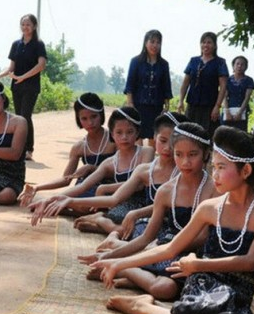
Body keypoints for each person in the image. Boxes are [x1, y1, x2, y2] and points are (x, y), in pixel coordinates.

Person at [95, 126, 254, 314]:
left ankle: (144, 307)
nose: (215, 175)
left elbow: (250, 262)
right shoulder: (209, 208)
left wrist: (197, 264)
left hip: (239, 289)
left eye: (222, 168)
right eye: (214, 167)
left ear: (246, 170)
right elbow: (171, 248)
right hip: (205, 281)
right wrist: (120, 263)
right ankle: (144, 307)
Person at [79, 123, 218, 301]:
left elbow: (203, 237)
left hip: (191, 254)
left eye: (193, 155)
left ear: (206, 154)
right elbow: (146, 238)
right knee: (165, 287)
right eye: (179, 154)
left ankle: (125, 270)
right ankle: (121, 267)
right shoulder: (166, 191)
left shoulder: (214, 189)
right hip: (166, 250)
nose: (185, 162)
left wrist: (167, 248)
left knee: (166, 289)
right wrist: (107, 257)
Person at [71, 112, 188, 237]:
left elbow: (166, 207)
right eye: (163, 141)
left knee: (140, 231)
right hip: (144, 215)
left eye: (173, 143)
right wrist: (68, 200)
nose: (167, 148)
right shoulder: (145, 170)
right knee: (132, 224)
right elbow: (113, 199)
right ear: (154, 137)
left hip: (165, 219)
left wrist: (137, 213)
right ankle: (108, 224)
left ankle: (105, 224)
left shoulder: (184, 171)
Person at [29, 106, 154, 223]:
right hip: (117, 202)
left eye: (130, 132)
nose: (124, 137)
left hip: (140, 203)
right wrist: (49, 199)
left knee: (123, 217)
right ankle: (95, 219)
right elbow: (83, 186)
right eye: (119, 133)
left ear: (137, 133)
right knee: (104, 209)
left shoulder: (145, 152)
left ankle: (98, 221)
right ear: (112, 134)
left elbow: (139, 185)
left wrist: (105, 188)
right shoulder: (110, 162)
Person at [18, 93, 116, 206]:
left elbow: (125, 171)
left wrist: (92, 168)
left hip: (109, 188)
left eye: (94, 116)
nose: (90, 122)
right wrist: (37, 187)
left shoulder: (114, 140)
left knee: (78, 206)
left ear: (101, 115)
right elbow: (66, 179)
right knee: (49, 206)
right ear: (78, 119)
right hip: (84, 189)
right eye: (84, 118)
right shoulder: (79, 147)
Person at [0, 14, 47, 161]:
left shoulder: (38, 44)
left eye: (28, 24)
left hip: (31, 86)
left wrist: (24, 77)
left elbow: (41, 65)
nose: (25, 27)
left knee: (25, 116)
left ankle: (29, 149)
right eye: (23, 24)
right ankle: (19, 149)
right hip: (16, 86)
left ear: (34, 26)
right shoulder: (16, 44)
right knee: (18, 117)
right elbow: (11, 68)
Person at [124, 30, 173, 147]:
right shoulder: (135, 62)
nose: (155, 45)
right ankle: (138, 163)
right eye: (152, 41)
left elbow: (166, 86)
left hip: (156, 106)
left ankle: (150, 162)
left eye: (158, 42)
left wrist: (166, 106)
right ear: (145, 43)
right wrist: (130, 104)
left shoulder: (164, 64)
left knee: (153, 137)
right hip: (138, 106)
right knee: (137, 135)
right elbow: (130, 84)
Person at [178, 31, 229, 137]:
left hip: (209, 107)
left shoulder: (220, 63)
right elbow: (185, 83)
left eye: (209, 42)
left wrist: (217, 106)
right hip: (192, 105)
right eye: (203, 42)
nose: (206, 45)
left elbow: (223, 87)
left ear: (215, 45)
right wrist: (181, 101)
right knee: (188, 134)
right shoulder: (193, 61)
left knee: (206, 136)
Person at [221, 55, 254, 132]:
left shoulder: (249, 80)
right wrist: (227, 111)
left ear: (246, 67)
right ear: (233, 66)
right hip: (228, 111)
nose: (239, 66)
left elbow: (247, 98)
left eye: (242, 64)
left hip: (242, 112)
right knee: (224, 134)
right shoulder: (227, 80)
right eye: (237, 64)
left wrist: (240, 113)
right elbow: (224, 96)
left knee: (239, 136)